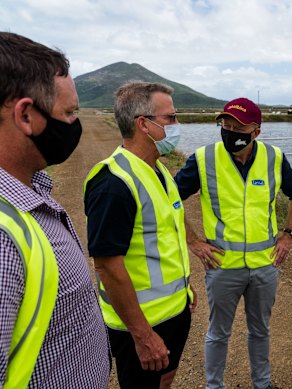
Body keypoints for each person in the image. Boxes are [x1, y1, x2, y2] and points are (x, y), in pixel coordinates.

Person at [0, 32, 110, 387]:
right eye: (69, 113)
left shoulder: (31, 194)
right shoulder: (3, 243)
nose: (73, 124)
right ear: (27, 116)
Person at [174, 97, 292, 389]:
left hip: (265, 265)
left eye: (238, 127)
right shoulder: (204, 158)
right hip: (222, 265)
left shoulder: (274, 158)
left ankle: (262, 383)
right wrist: (193, 241)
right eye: (226, 124)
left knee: (260, 330)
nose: (230, 131)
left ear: (255, 131)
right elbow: (170, 201)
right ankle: (214, 386)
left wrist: (288, 234)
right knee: (218, 332)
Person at [84, 82, 196, 389]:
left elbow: (165, 236)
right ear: (144, 124)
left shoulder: (159, 172)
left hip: (174, 310)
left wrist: (185, 288)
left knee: (166, 378)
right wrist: (143, 334)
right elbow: (107, 266)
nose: (177, 125)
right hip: (141, 324)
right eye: (171, 118)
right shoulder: (113, 184)